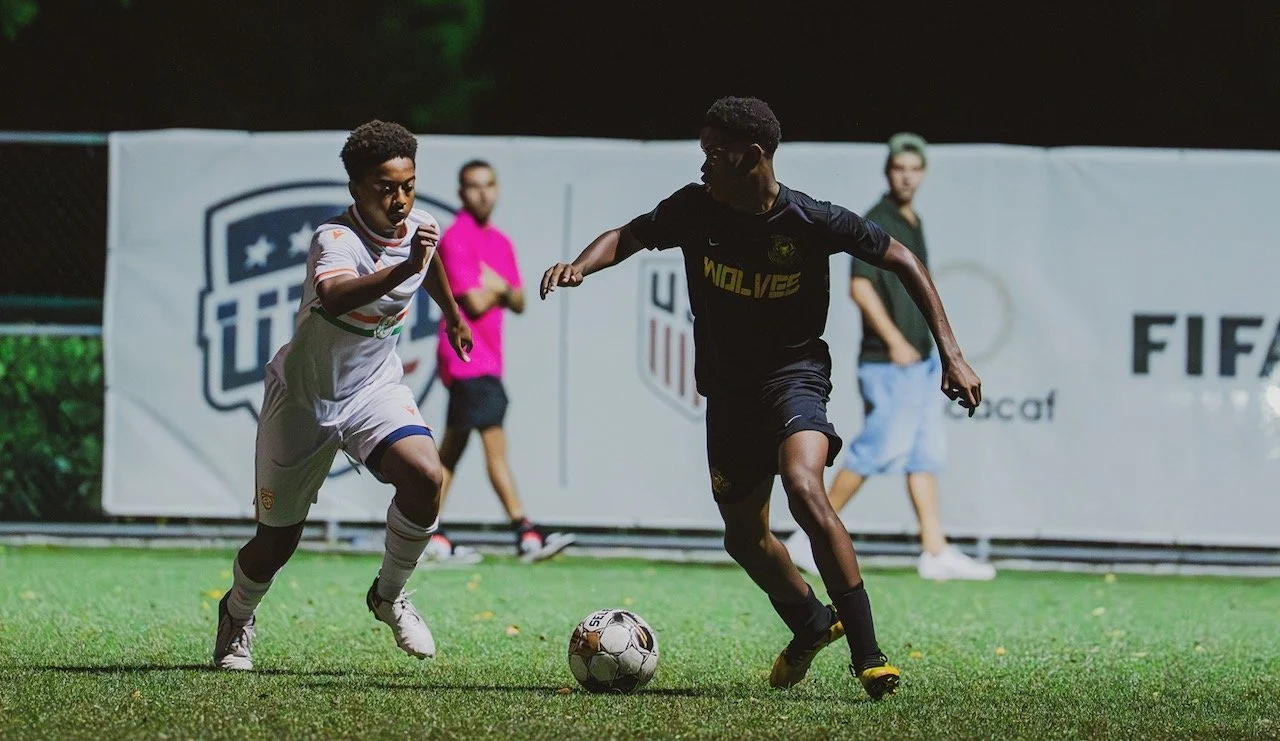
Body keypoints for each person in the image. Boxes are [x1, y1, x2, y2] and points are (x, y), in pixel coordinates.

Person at [539, 97, 982, 700]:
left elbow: (901, 258)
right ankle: (810, 621)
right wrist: (580, 266)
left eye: (713, 154)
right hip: (728, 390)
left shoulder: (810, 219)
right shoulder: (695, 209)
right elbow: (630, 235)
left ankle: (868, 653)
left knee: (804, 486)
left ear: (752, 156)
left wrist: (951, 352)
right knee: (744, 537)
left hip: (794, 376)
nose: (703, 164)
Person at [213, 120, 474, 670]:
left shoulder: (419, 224)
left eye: (407, 185)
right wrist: (404, 265)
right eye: (385, 187)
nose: (399, 199)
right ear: (356, 188)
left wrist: (452, 314)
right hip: (305, 399)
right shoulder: (335, 239)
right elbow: (333, 297)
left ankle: (388, 595)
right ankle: (237, 614)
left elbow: (429, 265)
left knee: (427, 476)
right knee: (276, 543)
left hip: (372, 389)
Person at [785, 133, 996, 581]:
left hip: (919, 363)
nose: (907, 176)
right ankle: (806, 536)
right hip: (888, 360)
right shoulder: (879, 218)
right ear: (888, 172)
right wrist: (896, 340)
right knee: (878, 446)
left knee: (924, 453)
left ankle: (934, 551)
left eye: (914, 169)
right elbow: (859, 286)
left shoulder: (911, 219)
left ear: (922, 174)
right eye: (899, 168)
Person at [428, 160, 575, 564]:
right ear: (461, 193)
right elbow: (474, 301)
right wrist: (501, 288)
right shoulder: (455, 238)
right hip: (467, 359)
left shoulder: (501, 242)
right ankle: (525, 531)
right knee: (494, 447)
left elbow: (522, 300)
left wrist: (496, 284)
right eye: (474, 187)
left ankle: (425, 531)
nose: (483, 193)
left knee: (450, 454)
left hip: (488, 363)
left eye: (489, 185)